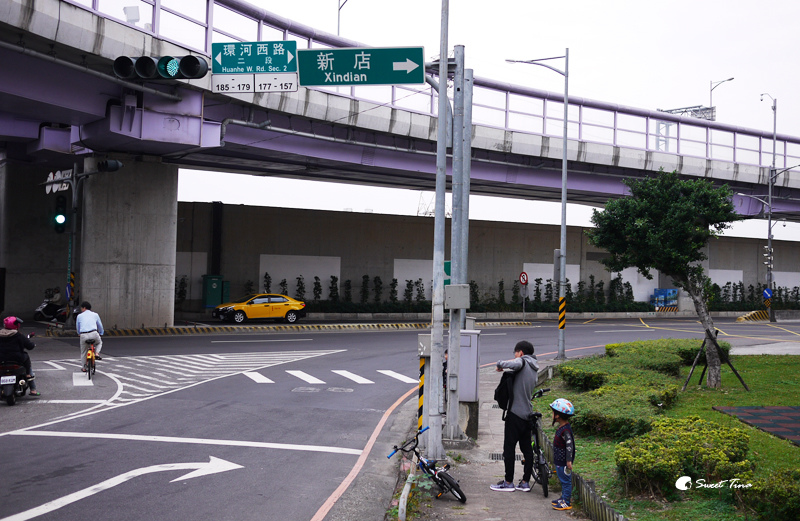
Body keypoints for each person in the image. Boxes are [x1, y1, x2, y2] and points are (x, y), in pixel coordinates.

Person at [490, 340, 539, 492]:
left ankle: (508, 482)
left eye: (515, 353)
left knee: (509, 449)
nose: (515, 356)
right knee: (527, 450)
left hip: (515, 415)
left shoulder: (522, 362)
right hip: (527, 415)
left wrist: (499, 364)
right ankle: (525, 482)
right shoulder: (534, 368)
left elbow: (514, 363)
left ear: (521, 353)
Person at [0, 316, 40, 396]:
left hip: (1, 359)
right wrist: (32, 344)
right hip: (17, 358)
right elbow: (29, 346)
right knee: (26, 357)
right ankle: (32, 388)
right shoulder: (18, 335)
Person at [550, 398, 576, 511]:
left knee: (566, 481)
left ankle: (566, 502)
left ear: (558, 416)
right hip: (559, 460)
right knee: (563, 480)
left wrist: (569, 461)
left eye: (553, 412)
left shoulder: (565, 431)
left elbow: (570, 446)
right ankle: (563, 498)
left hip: (564, 462)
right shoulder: (562, 428)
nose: (552, 414)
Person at [76, 301, 104, 371]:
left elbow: (78, 326)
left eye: (81, 308)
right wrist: (101, 332)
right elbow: (100, 325)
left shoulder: (79, 316)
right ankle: (96, 353)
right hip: (94, 333)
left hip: (83, 335)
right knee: (99, 342)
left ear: (84, 308)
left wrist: (79, 333)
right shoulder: (95, 315)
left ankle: (84, 368)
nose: (81, 310)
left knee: (84, 352)